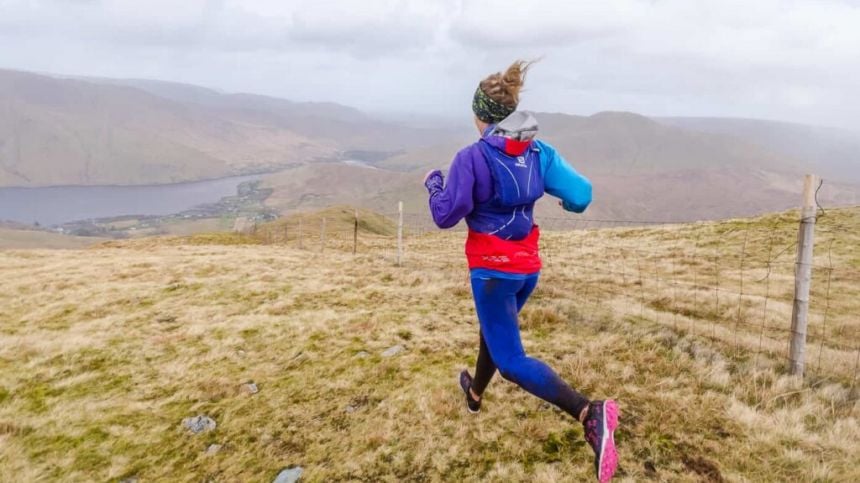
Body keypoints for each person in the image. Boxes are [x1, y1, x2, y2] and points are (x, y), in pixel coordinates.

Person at [423, 60, 619, 482]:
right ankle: (474, 394)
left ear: (481, 116)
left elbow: (444, 215)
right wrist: (564, 203)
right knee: (493, 334)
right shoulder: (539, 152)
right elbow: (581, 194)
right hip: (527, 267)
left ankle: (588, 412)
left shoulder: (471, 158)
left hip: (492, 273)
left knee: (510, 358)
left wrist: (433, 185)